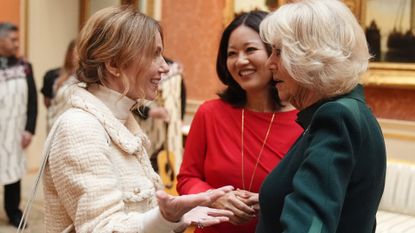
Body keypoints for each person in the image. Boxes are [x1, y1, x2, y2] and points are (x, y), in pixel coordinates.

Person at [41, 6, 234, 233]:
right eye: (154, 54)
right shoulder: (80, 128)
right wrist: (164, 218)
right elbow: (103, 228)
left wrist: (176, 217)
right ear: (113, 64)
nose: (164, 67)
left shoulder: (121, 121)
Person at [256, 0, 386, 232]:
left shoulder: (336, 118)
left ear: (310, 56)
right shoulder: (352, 112)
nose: (269, 63)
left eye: (278, 52)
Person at [177, 11, 303, 233]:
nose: (240, 61)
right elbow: (187, 179)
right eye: (232, 53)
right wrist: (214, 198)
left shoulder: (303, 121)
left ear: (276, 54)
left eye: (250, 49)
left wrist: (268, 202)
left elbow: (308, 197)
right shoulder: (209, 113)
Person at [0, 22, 38, 228]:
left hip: (14, 131)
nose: (17, 44)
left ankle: (13, 211)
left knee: (12, 172)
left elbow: (32, 101)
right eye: (12, 39)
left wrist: (29, 129)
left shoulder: (25, 67)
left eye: (18, 39)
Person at [41, 39, 77, 131]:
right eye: (76, 52)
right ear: (69, 53)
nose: (78, 56)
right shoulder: (52, 75)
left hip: (73, 125)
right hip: (54, 122)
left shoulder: (87, 79)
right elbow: (47, 102)